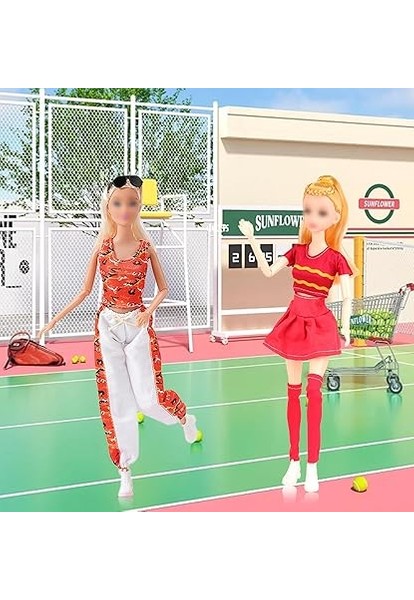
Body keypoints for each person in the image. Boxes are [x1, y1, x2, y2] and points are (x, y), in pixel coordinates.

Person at [37, 175, 201, 498]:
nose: (125, 209)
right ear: (108, 207)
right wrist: (54, 320)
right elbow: (85, 291)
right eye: (118, 203)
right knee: (116, 400)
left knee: (150, 399)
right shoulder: (101, 248)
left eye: (132, 203)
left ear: (138, 207)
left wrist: (148, 311)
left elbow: (164, 288)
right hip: (108, 326)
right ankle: (124, 469)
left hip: (138, 326)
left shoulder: (146, 248)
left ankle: (184, 418)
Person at [238, 175, 356, 492]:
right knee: (293, 392)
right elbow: (267, 271)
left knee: (314, 393)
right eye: (308, 210)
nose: (313, 217)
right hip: (295, 320)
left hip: (320, 323)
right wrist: (251, 239)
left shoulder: (337, 258)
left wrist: (345, 326)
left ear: (335, 217)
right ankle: (293, 461)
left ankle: (313, 466)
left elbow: (347, 296)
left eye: (322, 212)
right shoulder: (297, 252)